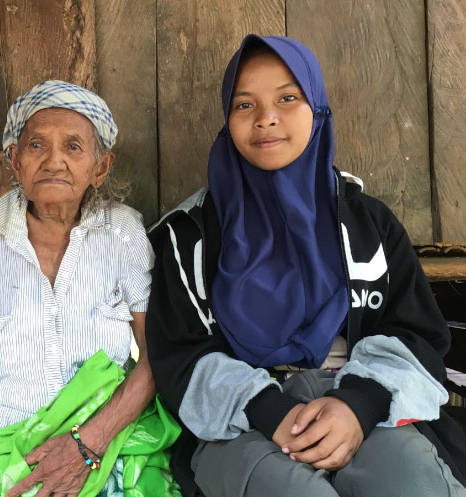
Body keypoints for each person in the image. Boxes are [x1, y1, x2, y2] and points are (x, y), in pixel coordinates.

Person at [145, 34, 466, 497]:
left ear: (316, 107)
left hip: (367, 406)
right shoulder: (186, 236)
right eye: (244, 105)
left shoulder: (367, 223)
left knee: (412, 481)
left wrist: (359, 404)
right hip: (241, 424)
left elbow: (417, 332)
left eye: (288, 98)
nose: (266, 118)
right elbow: (179, 354)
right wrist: (269, 411)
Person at [0, 80, 181, 497]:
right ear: (14, 161)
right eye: (37, 145)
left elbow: (155, 352)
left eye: (74, 147)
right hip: (0, 449)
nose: (54, 161)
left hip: (104, 439)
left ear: (100, 168)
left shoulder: (124, 233)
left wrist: (87, 445)